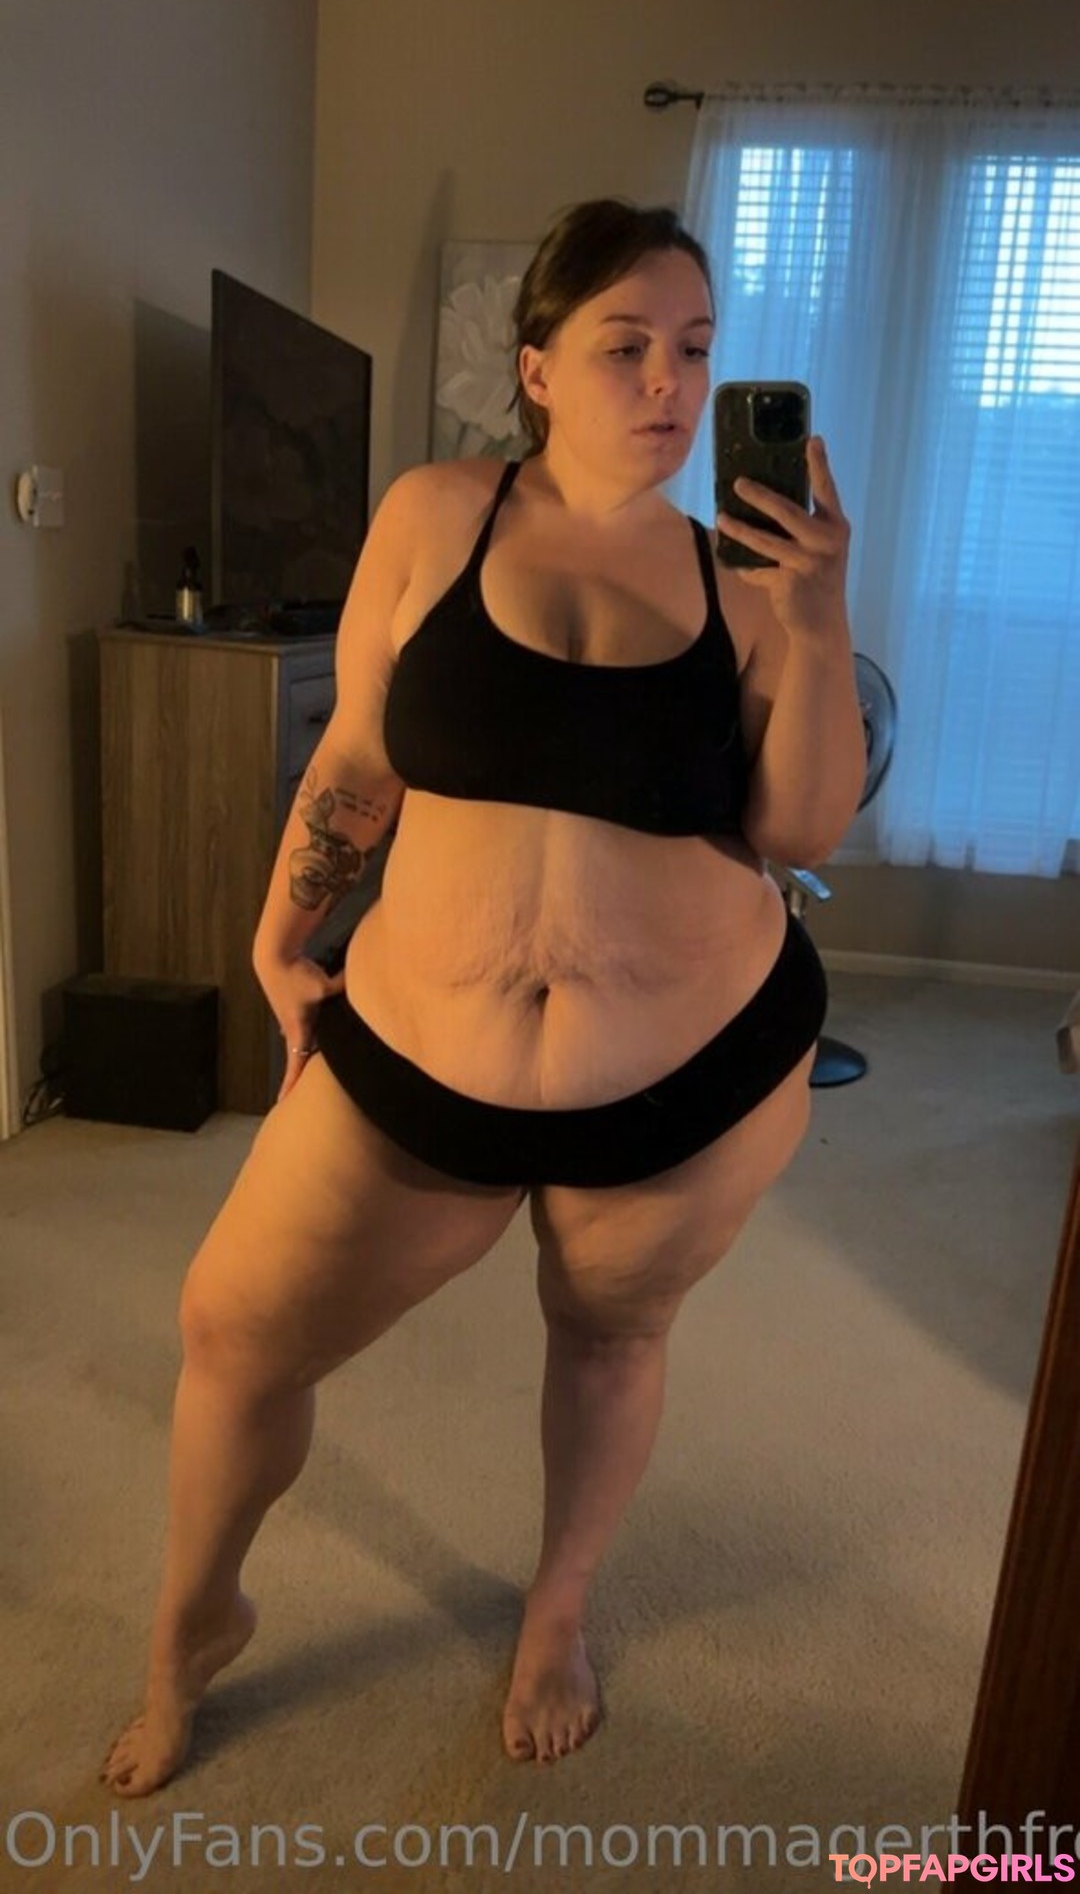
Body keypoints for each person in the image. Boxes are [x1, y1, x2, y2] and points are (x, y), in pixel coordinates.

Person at [101, 197, 866, 1794]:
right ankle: (194, 1627)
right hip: (417, 1058)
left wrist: (816, 618)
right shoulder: (434, 515)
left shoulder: (745, 578)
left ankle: (557, 1613)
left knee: (610, 1335)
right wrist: (282, 931)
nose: (668, 383)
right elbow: (359, 754)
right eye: (626, 344)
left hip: (691, 1079)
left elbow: (799, 832)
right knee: (234, 1328)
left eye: (697, 351)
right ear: (535, 366)